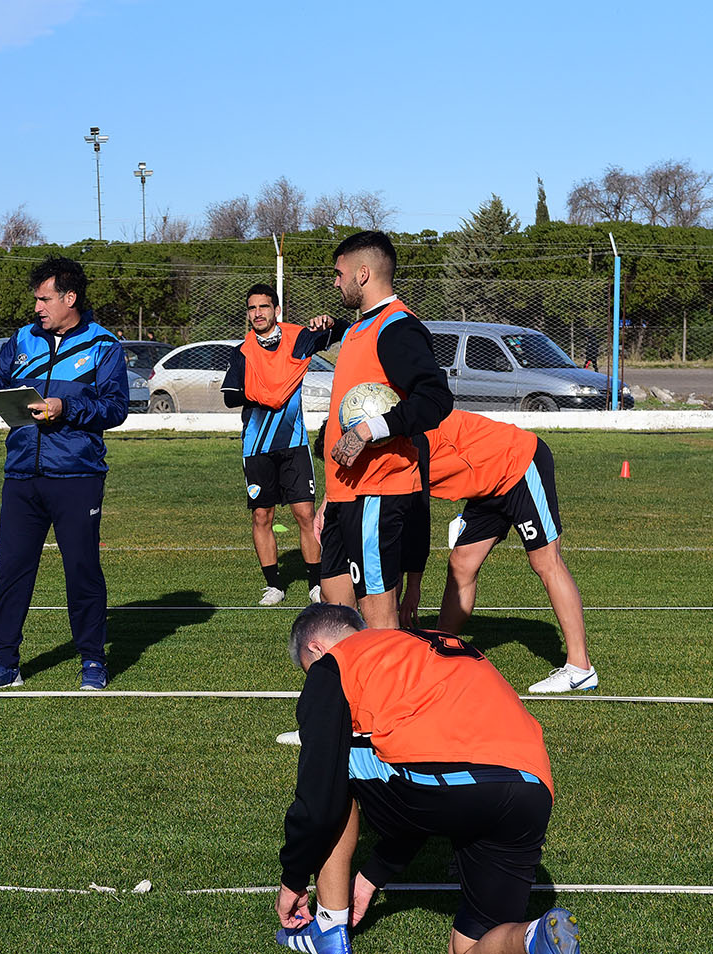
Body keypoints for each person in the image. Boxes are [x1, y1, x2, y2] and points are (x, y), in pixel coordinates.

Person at [274, 603, 581, 954]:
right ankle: (531, 938)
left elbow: (319, 799)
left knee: (333, 766)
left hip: (453, 779)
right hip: (531, 787)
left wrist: (294, 879)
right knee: (467, 947)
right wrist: (372, 875)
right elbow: (420, 775)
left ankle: (328, 929)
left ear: (315, 648)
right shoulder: (423, 642)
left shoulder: (334, 664)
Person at [0, 256, 130, 690]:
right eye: (36, 300)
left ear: (70, 298)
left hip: (77, 475)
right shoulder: (23, 339)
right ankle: (5, 663)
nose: (38, 308)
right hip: (21, 476)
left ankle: (92, 661)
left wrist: (65, 408)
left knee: (82, 569)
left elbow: (116, 408)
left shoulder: (104, 346)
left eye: (45, 299)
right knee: (11, 569)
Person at [316, 231, 452, 628]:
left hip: (378, 491)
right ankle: (348, 690)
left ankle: (392, 690)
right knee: (336, 612)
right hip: (345, 493)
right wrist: (331, 493)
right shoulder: (359, 329)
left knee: (379, 617)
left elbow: (434, 399)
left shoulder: (397, 328)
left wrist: (369, 430)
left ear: (362, 273)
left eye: (338, 273)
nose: (335, 281)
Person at [414, 410, 596, 693]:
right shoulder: (394, 444)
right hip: (487, 482)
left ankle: (580, 667)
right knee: (461, 563)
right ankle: (442, 650)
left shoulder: (411, 439)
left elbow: (415, 519)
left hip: (517, 463)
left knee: (545, 561)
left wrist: (412, 586)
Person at [221, 283, 343, 606]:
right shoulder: (242, 351)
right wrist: (269, 395)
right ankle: (274, 585)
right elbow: (231, 396)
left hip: (294, 443)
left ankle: (315, 584)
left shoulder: (298, 338)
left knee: (305, 513)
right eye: (251, 308)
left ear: (276, 310)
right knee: (262, 516)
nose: (257, 313)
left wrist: (330, 321)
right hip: (256, 447)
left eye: (263, 307)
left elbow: (341, 332)